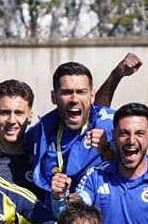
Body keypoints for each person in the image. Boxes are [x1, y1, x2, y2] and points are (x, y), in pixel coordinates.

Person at [29, 62, 115, 211]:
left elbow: (136, 162)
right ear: (54, 97)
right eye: (67, 92)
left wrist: (107, 151)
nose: (74, 99)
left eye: (81, 92)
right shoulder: (41, 131)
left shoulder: (110, 125)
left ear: (92, 95)